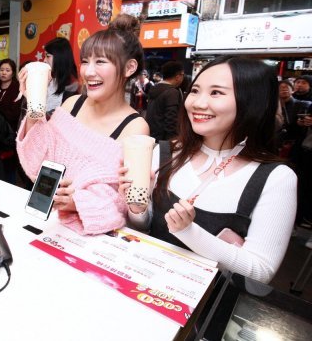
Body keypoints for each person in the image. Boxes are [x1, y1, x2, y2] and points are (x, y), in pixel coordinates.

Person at [122, 56, 297, 283]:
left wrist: (188, 231)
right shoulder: (164, 152)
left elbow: (261, 271)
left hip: (206, 301)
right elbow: (143, 231)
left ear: (253, 101)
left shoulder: (275, 178)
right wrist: (137, 207)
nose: (198, 103)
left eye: (216, 93)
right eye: (195, 90)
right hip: (143, 285)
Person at [17, 14, 149, 235]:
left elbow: (122, 202)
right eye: (86, 61)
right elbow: (36, 162)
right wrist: (33, 105)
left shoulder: (135, 127)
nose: (88, 72)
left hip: (89, 236)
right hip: (45, 223)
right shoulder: (72, 104)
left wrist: (76, 203)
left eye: (101, 62)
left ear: (129, 67)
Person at [0, 58, 24, 182]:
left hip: (10, 134)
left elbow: (15, 112)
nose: (4, 73)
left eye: (7, 70)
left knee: (9, 167)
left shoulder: (18, 88)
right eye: (1, 70)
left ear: (13, 73)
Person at [145, 61, 185, 141]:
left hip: (151, 135)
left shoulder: (154, 88)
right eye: (183, 75)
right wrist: (172, 140)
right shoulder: (172, 92)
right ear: (177, 77)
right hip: (164, 139)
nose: (183, 77)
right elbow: (171, 120)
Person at [43, 37, 79, 116]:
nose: (44, 60)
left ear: (60, 57)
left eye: (48, 56)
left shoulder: (74, 86)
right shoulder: (49, 79)